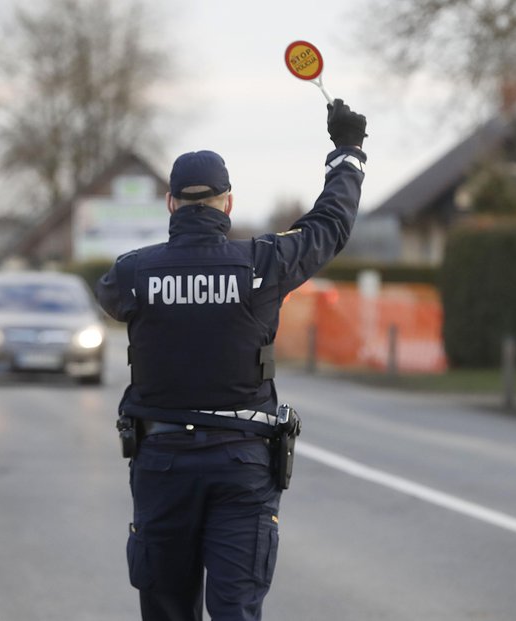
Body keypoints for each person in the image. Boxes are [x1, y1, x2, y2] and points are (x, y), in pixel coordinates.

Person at [95, 98, 367, 621]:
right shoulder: (262, 264)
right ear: (228, 204)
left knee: (167, 609)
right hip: (242, 465)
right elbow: (329, 227)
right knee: (235, 610)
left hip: (163, 462)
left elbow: (112, 300)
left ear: (172, 205)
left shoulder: (132, 274)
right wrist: (347, 152)